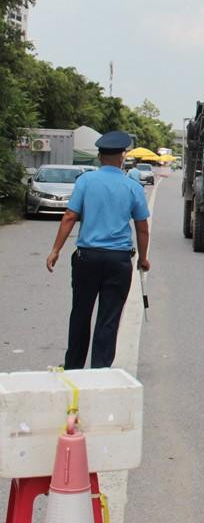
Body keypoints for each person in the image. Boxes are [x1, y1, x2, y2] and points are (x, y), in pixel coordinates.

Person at [45, 130, 150, 369]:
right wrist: (143, 258)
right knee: (109, 318)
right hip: (118, 260)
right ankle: (100, 371)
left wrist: (55, 250)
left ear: (100, 157)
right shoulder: (133, 187)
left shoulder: (85, 181)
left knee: (81, 313)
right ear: (122, 157)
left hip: (87, 258)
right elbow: (142, 228)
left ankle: (73, 368)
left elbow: (69, 216)